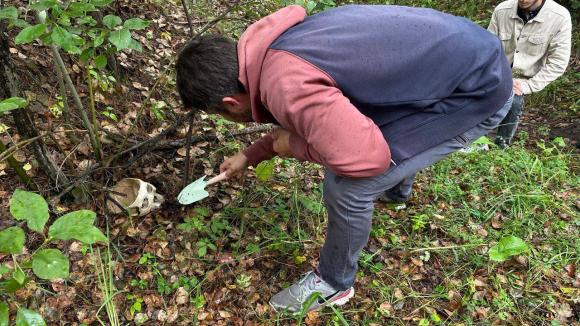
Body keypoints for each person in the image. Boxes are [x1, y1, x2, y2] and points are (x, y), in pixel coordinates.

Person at [176, 5, 513, 313]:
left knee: (348, 186)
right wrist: (249, 155)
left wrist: (294, 146)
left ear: (230, 103)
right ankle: (396, 194)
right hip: (464, 57)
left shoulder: (285, 83)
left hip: (476, 92)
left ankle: (334, 283)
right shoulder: (269, 48)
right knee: (363, 132)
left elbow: (364, 158)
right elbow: (310, 113)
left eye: (224, 116)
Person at [488, 0, 572, 148]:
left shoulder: (559, 17)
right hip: (497, 73)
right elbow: (488, 49)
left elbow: (558, 62)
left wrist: (527, 86)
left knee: (513, 99)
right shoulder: (502, 10)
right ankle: (470, 140)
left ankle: (500, 146)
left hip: (525, 79)